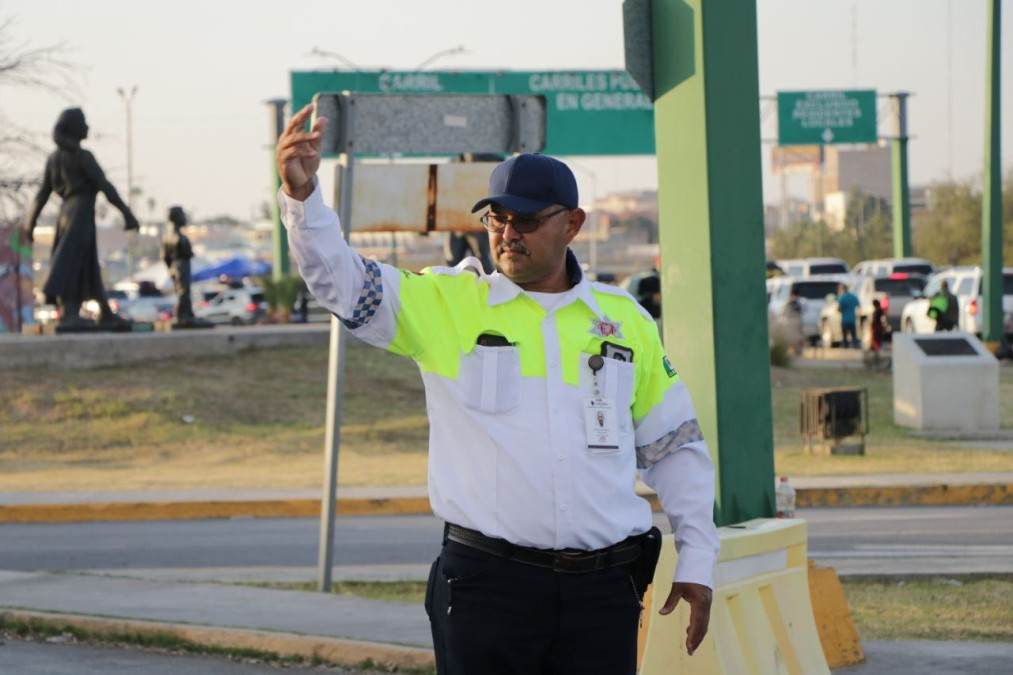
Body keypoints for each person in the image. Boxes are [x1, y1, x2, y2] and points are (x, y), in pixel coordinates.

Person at [276, 104, 719, 675]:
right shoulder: (448, 304)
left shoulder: (625, 320)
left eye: (528, 219)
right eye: (496, 218)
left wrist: (698, 560)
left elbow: (673, 448)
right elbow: (341, 281)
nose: (508, 233)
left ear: (573, 224)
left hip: (603, 596)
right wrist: (303, 197)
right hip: (488, 591)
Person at [22, 108, 138, 328]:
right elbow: (105, 186)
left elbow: (42, 194)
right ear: (74, 127)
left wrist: (31, 222)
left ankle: (104, 311)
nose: (87, 127)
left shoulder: (54, 158)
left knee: (87, 263)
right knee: (72, 262)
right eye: (83, 122)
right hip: (80, 212)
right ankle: (69, 314)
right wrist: (127, 214)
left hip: (67, 213)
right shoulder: (81, 157)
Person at [162, 206, 196, 326]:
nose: (184, 218)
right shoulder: (179, 238)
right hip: (181, 265)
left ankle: (188, 314)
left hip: (175, 266)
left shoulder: (167, 236)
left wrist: (170, 269)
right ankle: (180, 317)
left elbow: (164, 257)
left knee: (183, 292)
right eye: (182, 215)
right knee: (183, 292)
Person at [837, 282, 860, 348]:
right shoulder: (853, 297)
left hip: (845, 320)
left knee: (845, 336)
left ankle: (846, 346)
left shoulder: (842, 298)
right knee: (854, 335)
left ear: (842, 289)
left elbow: (839, 309)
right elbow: (858, 306)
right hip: (852, 319)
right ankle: (855, 345)